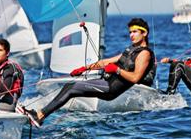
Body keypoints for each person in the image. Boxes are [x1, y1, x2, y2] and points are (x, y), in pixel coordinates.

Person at [21, 18, 156, 127]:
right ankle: (40, 114)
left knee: (73, 88)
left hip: (110, 88)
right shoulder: (131, 50)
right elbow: (105, 62)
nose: (131, 35)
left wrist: (117, 70)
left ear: (144, 33)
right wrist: (84, 68)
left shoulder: (145, 54)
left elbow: (135, 77)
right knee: (70, 86)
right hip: (106, 82)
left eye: (135, 32)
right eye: (130, 32)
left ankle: (40, 116)